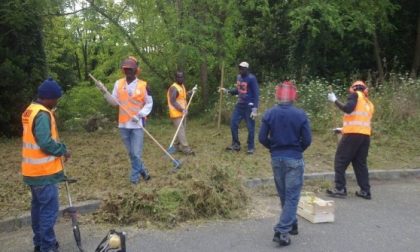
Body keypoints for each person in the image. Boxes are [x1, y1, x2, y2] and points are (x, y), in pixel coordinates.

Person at [259, 81, 312, 247]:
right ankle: (282, 231)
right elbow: (308, 140)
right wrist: (297, 150)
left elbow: (261, 138)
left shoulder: (269, 114)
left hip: (276, 159)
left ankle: (292, 223)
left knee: (284, 195)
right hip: (294, 159)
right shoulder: (300, 115)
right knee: (292, 196)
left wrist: (273, 148)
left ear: (278, 95)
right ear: (293, 96)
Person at [22, 77, 71, 252]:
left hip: (32, 172)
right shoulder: (42, 114)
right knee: (48, 212)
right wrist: (63, 150)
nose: (56, 102)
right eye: (56, 98)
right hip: (43, 173)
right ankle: (48, 247)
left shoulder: (30, 110)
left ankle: (40, 243)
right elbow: (45, 142)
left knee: (38, 210)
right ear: (48, 97)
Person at [104, 56, 153, 184]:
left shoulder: (144, 85)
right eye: (125, 69)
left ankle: (134, 178)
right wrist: (105, 92)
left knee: (136, 153)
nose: (127, 72)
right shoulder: (118, 84)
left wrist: (140, 114)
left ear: (136, 70)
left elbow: (149, 103)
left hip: (137, 124)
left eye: (130, 69)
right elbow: (115, 102)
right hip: (123, 124)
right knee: (131, 153)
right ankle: (143, 171)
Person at [326, 80, 374, 200]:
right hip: (365, 137)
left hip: (352, 136)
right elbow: (359, 122)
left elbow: (348, 109)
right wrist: (342, 129)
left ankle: (340, 189)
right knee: (360, 164)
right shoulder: (369, 104)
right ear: (365, 89)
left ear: (353, 88)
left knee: (340, 160)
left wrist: (335, 100)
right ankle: (365, 191)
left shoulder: (355, 95)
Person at [219, 61, 259, 154]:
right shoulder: (239, 77)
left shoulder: (251, 78)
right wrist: (227, 91)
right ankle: (236, 145)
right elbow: (238, 90)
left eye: (243, 68)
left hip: (249, 106)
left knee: (250, 127)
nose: (240, 70)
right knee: (233, 123)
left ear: (247, 69)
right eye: (239, 68)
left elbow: (256, 94)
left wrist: (255, 109)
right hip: (239, 105)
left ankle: (250, 147)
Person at [167, 71, 196, 155]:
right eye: (179, 77)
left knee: (180, 130)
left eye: (182, 77)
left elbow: (182, 96)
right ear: (175, 78)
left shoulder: (182, 86)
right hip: (176, 113)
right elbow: (173, 101)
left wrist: (191, 92)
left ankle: (176, 146)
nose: (180, 78)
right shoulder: (174, 88)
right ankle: (185, 148)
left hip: (183, 112)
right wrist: (181, 109)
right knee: (181, 130)